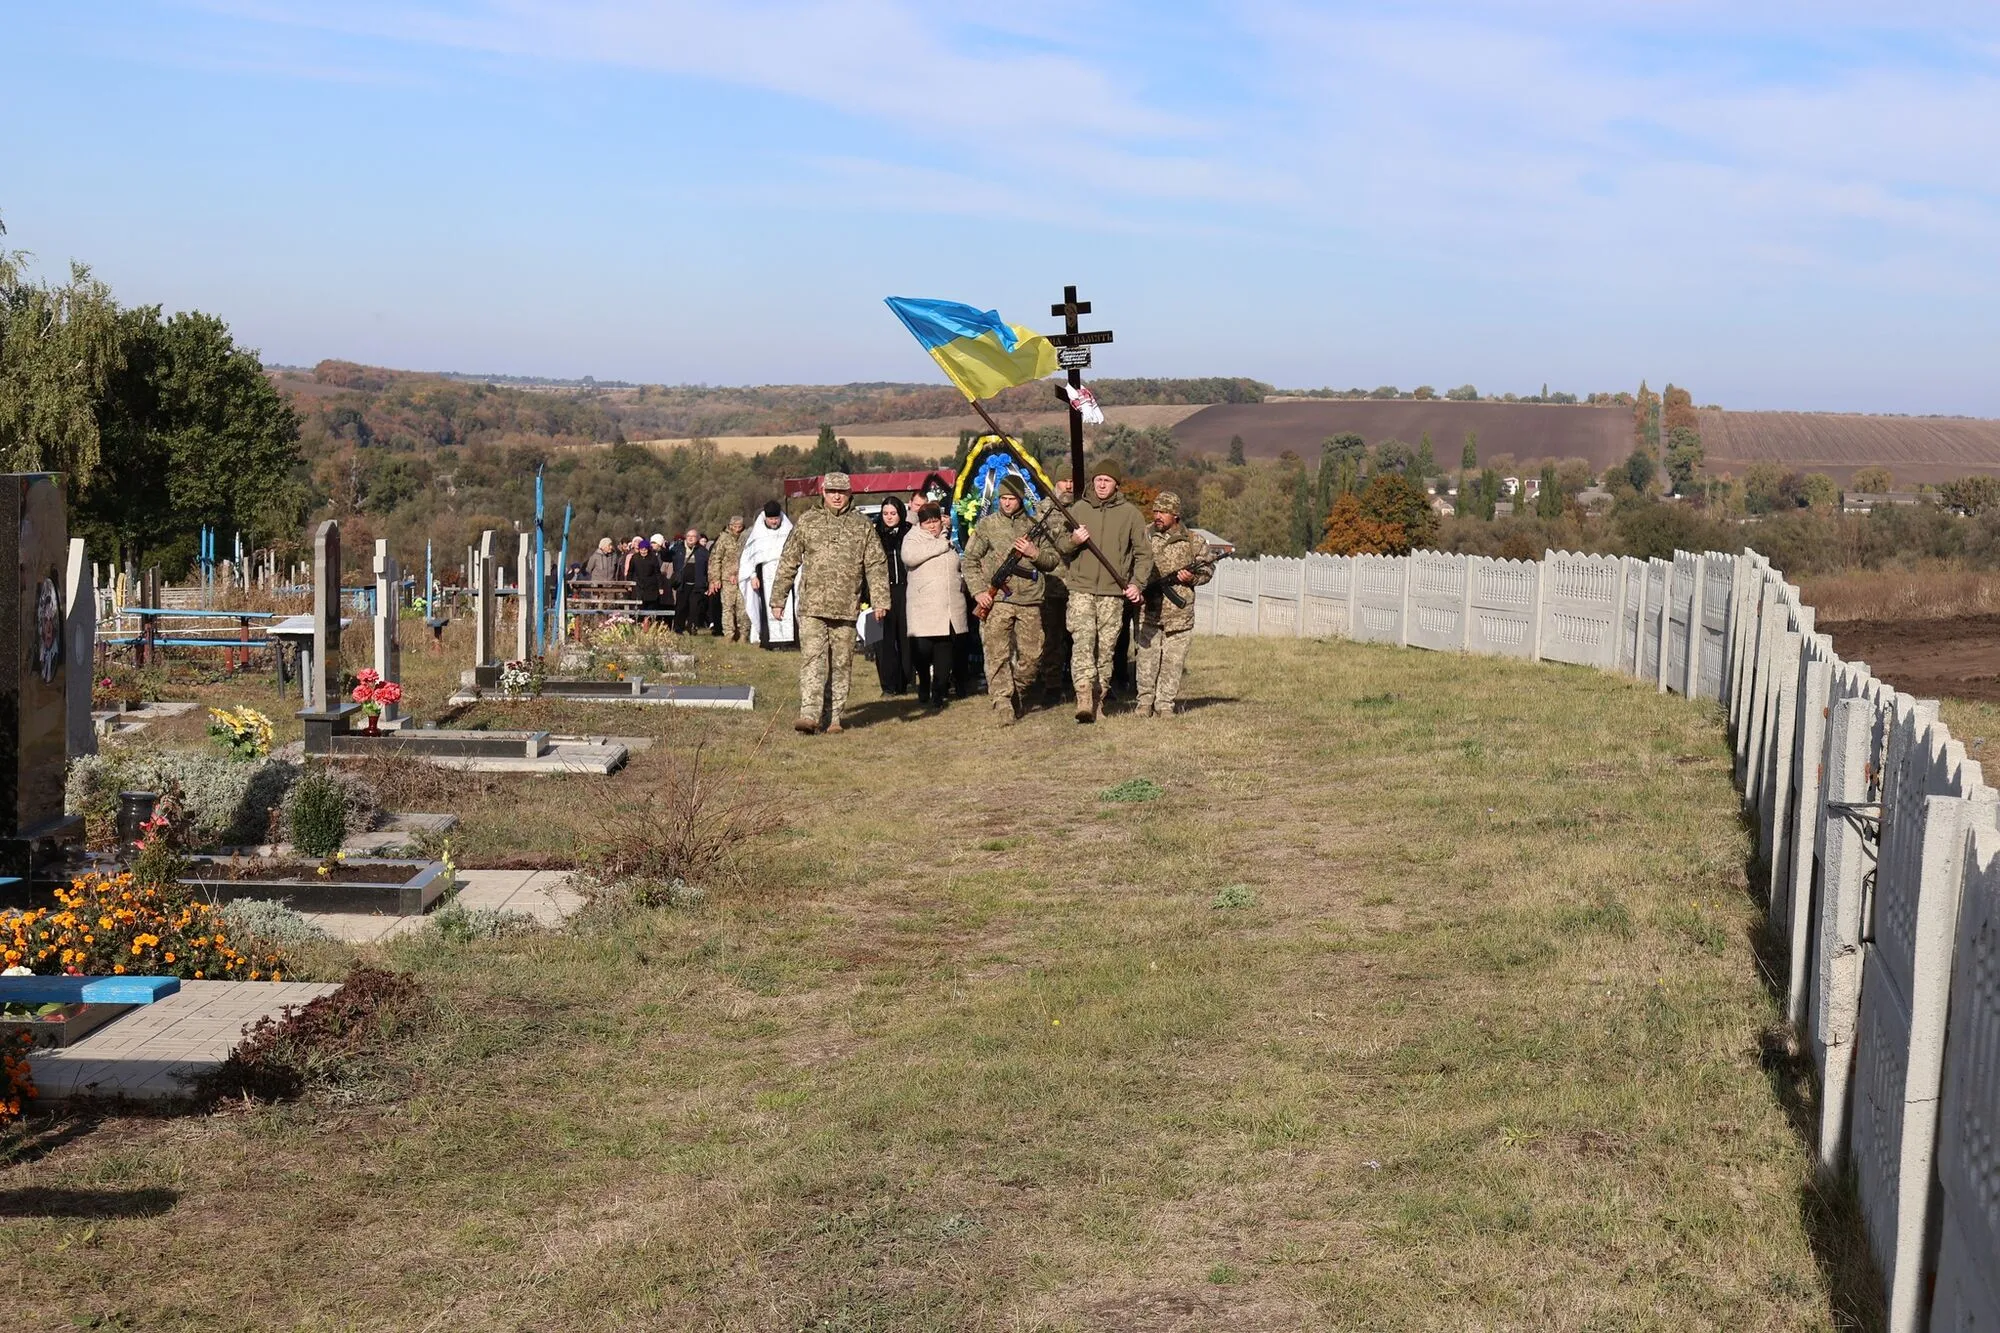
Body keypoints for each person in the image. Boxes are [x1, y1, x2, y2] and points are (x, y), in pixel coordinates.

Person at [771, 473, 889, 733]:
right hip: (812, 606)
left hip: (846, 607)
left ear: (850, 494)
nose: (837, 496)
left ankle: (834, 717)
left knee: (841, 663)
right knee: (812, 660)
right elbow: (788, 561)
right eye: (832, 491)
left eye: (842, 492)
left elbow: (877, 565)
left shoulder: (862, 526)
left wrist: (880, 600)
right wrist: (778, 598)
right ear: (823, 492)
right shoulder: (808, 522)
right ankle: (809, 715)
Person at [1055, 458, 1152, 723]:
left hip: (1113, 593)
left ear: (1116, 485)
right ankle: (1084, 697)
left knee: (1106, 648)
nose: (1101, 484)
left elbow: (1144, 555)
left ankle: (1099, 698)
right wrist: (1074, 540)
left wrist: (1136, 583)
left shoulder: (1131, 514)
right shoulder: (1078, 509)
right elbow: (1061, 546)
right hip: (1081, 589)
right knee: (1083, 643)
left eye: (1106, 480)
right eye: (1098, 479)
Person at [961, 475, 1058, 725]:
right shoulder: (987, 526)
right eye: (1002, 498)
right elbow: (969, 560)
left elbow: (1052, 561)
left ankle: (1017, 691)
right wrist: (979, 592)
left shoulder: (1035, 525)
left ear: (1021, 499)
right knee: (997, 654)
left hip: (1030, 600)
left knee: (1033, 656)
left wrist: (1033, 552)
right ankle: (1003, 703)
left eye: (1011, 498)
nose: (1006, 503)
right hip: (998, 602)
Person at [1135, 492, 1213, 718]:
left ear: (1176, 514)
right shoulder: (1144, 536)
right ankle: (1144, 703)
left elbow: (1207, 570)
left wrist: (1193, 579)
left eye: (1163, 512)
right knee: (1146, 659)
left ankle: (1165, 704)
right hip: (1148, 609)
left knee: (1173, 661)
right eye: (1156, 511)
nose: (1157, 515)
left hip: (1180, 613)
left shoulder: (1193, 541)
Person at [901, 503, 965, 709]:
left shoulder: (949, 538)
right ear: (920, 523)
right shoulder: (912, 538)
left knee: (944, 649)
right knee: (922, 650)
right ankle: (924, 682)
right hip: (923, 606)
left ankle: (939, 691)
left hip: (948, 606)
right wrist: (940, 545)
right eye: (927, 522)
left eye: (935, 521)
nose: (931, 526)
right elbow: (909, 557)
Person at [1037, 477, 1075, 703]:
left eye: (1071, 481)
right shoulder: (1042, 510)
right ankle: (1051, 684)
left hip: (1079, 582)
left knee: (1081, 636)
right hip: (1052, 583)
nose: (1068, 486)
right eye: (1063, 481)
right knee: (1053, 636)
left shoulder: (1083, 508)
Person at [739, 501, 797, 649]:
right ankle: (770, 641)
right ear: (765, 517)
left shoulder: (788, 529)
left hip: (786, 573)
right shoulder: (757, 533)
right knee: (767, 606)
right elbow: (749, 557)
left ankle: (790, 641)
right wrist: (752, 576)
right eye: (771, 519)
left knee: (789, 606)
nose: (774, 521)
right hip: (765, 575)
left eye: (776, 519)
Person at [871, 497, 914, 695]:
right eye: (885, 513)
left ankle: (907, 681)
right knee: (880, 640)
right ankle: (887, 685)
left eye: (893, 513)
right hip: (879, 591)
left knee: (906, 637)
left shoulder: (910, 531)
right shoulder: (873, 533)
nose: (889, 518)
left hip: (905, 590)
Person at [709, 516, 747, 641]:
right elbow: (715, 559)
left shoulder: (745, 537)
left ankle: (743, 634)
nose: (737, 530)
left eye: (739, 527)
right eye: (734, 527)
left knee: (742, 607)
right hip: (726, 579)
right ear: (730, 526)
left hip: (742, 578)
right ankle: (729, 634)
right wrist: (715, 579)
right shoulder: (723, 539)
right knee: (728, 607)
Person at [668, 527, 708, 634]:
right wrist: (663, 549)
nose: (690, 538)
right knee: (681, 606)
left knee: (694, 608)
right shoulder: (678, 549)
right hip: (682, 584)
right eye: (689, 536)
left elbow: (708, 567)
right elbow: (666, 557)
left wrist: (707, 582)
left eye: (693, 536)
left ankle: (692, 627)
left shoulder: (703, 551)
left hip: (697, 584)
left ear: (698, 538)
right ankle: (678, 628)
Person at [626, 538, 665, 614]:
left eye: (645, 549)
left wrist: (660, 587)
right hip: (638, 587)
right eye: (641, 549)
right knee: (639, 610)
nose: (643, 551)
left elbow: (657, 573)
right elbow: (630, 572)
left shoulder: (653, 558)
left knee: (650, 610)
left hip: (651, 587)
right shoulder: (635, 558)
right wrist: (629, 584)